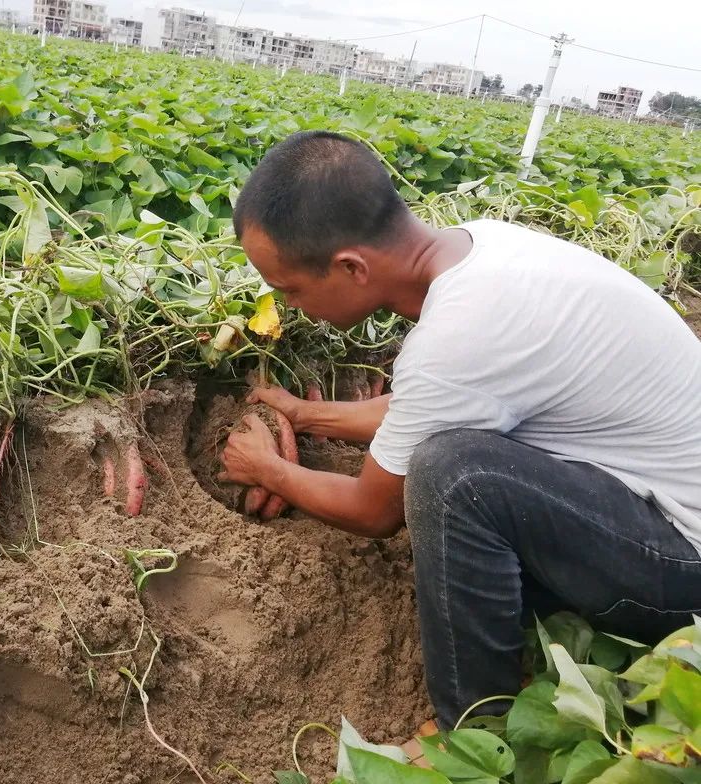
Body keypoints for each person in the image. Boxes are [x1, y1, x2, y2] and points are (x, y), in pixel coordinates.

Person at [219, 130, 701, 730]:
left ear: (351, 267)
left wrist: (270, 471)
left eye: (289, 289)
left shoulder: (460, 333)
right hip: (653, 505)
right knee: (455, 459)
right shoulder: (483, 248)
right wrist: (307, 415)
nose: (286, 305)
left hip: (684, 565)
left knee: (455, 477)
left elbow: (373, 513)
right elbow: (438, 400)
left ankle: (475, 731)